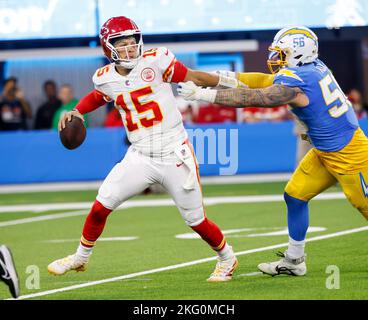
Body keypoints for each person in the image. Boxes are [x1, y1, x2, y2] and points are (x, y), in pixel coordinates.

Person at [47, 16, 245, 282]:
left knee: (196, 221)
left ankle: (227, 258)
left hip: (174, 154)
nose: (130, 48)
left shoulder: (156, 62)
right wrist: (76, 111)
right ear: (109, 48)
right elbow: (98, 96)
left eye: (133, 42)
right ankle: (80, 258)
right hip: (140, 156)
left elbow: (194, 76)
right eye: (123, 44)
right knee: (101, 205)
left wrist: (233, 81)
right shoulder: (105, 78)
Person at [178, 26, 368, 276]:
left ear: (298, 53)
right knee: (295, 196)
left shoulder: (297, 81)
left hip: (350, 154)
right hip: (325, 151)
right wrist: (214, 78)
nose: (275, 57)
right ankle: (295, 260)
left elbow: (256, 97)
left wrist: (205, 95)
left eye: (282, 52)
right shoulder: (312, 67)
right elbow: (261, 81)